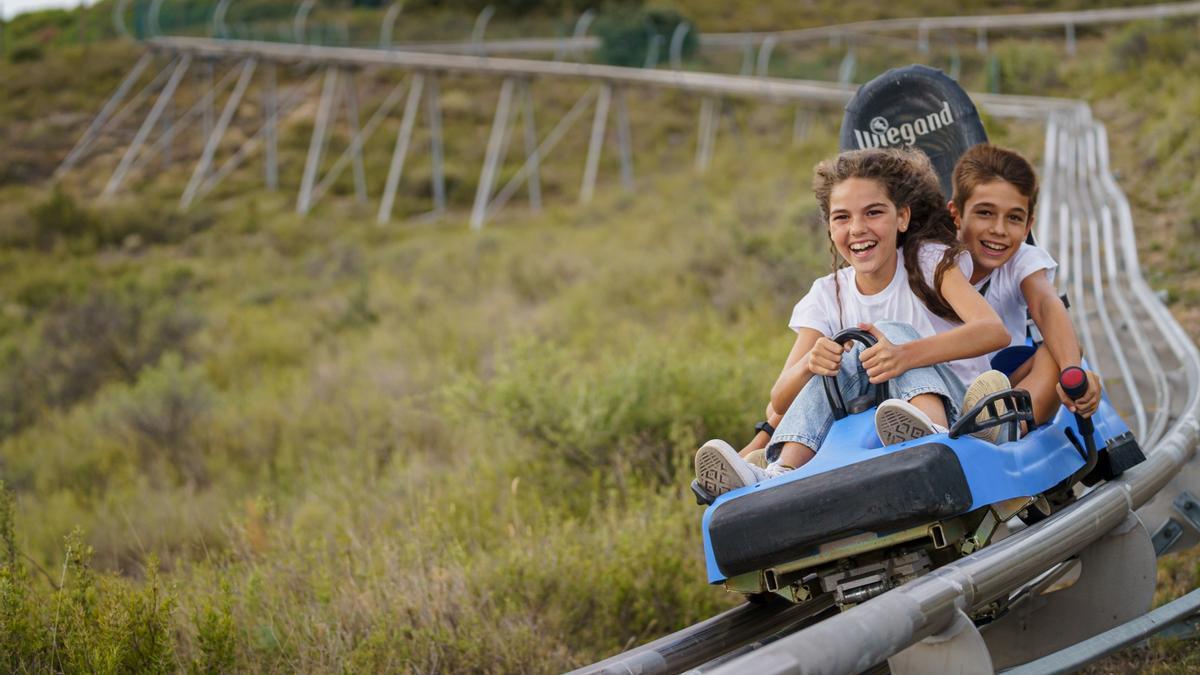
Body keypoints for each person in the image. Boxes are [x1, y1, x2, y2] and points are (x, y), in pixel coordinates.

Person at [694, 148, 1010, 498]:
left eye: (873, 212)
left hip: (958, 407)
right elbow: (780, 399)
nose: (858, 229)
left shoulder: (929, 262)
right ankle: (779, 472)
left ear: (901, 217)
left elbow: (993, 330)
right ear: (829, 227)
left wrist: (904, 354)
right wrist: (810, 365)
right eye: (842, 217)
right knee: (834, 362)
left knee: (887, 333)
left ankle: (931, 431)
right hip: (875, 424)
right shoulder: (828, 294)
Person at [948, 143, 1101, 441]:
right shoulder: (935, 259)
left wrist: (1073, 372)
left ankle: (1006, 426)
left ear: (1029, 223)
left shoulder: (1022, 261)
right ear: (956, 214)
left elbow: (1045, 302)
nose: (999, 229)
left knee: (1063, 351)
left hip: (1004, 389)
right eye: (985, 213)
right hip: (944, 383)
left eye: (1014, 218)